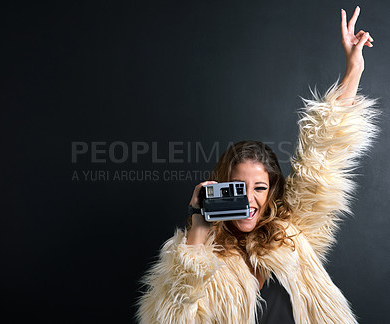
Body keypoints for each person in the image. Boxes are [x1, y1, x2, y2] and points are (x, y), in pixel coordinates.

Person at [135, 6, 379, 324]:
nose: (250, 200)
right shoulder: (198, 254)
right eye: (239, 187)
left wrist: (354, 68)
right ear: (222, 185)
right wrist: (198, 225)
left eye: (260, 188)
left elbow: (322, 157)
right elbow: (170, 317)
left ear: (272, 191)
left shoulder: (293, 232)